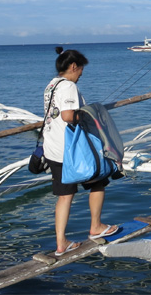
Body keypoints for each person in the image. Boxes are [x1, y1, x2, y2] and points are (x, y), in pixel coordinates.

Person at [43, 47, 118, 257]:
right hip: (73, 150)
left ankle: (61, 243)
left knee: (65, 196)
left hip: (53, 148)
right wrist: (90, 117)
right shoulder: (68, 86)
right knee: (99, 181)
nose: (82, 74)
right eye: (81, 69)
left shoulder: (51, 85)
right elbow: (68, 116)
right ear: (74, 66)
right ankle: (96, 226)